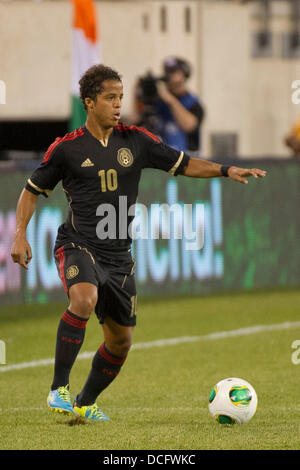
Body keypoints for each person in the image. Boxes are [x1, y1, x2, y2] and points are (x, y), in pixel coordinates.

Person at [11, 64, 266, 422]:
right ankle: (59, 389)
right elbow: (32, 190)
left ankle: (84, 402)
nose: (118, 105)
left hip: (119, 257)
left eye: (120, 97)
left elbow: (184, 164)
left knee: (120, 342)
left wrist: (226, 170)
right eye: (109, 98)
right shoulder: (66, 149)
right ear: (89, 102)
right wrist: (20, 233)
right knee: (84, 299)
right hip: (78, 243)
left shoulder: (137, 141)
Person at [132, 57, 205, 156]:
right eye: (167, 71)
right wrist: (136, 92)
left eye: (174, 72)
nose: (169, 75)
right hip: (161, 157)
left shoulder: (192, 102)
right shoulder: (157, 101)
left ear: (184, 74)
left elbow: (189, 126)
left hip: (186, 158)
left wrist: (170, 100)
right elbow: (135, 120)